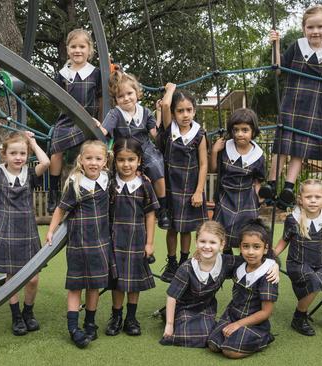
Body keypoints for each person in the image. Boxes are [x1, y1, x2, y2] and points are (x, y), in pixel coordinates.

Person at [260, 4, 322, 209]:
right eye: (310, 27)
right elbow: (277, 69)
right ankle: (272, 181)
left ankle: (289, 187)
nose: (315, 31)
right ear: (304, 29)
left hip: (316, 107)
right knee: (283, 143)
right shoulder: (297, 45)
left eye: (320, 26)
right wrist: (276, 44)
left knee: (299, 148)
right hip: (292, 102)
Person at [0, 120, 50, 335]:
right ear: (4, 155)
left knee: (33, 277)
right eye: (14, 153)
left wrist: (33, 143)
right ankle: (16, 316)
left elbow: (45, 162)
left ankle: (28, 312)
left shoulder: (30, 175)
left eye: (23, 154)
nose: (18, 157)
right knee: (12, 277)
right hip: (7, 233)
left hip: (27, 233)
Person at [161, 221, 278, 348]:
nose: (207, 246)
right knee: (191, 336)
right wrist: (169, 324)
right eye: (202, 241)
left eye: (212, 242)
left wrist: (274, 265)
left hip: (207, 307)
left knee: (207, 337)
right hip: (185, 306)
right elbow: (172, 296)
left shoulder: (227, 262)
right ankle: (168, 315)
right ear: (196, 242)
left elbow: (257, 260)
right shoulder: (187, 268)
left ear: (222, 244)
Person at [45, 140, 115, 348]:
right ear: (81, 160)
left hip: (101, 243)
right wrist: (51, 230)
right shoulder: (75, 183)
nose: (93, 162)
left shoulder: (107, 179)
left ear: (105, 161)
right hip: (79, 243)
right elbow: (60, 208)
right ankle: (73, 328)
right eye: (89, 158)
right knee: (76, 286)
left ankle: (90, 323)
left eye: (98, 158)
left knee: (95, 285)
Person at [98, 71, 169, 229]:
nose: (126, 98)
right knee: (111, 173)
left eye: (129, 93)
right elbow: (103, 131)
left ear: (137, 93)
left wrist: (159, 113)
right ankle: (109, 210)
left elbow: (155, 134)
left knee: (157, 167)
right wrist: (96, 125)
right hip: (125, 150)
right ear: (116, 100)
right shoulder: (115, 113)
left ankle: (163, 209)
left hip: (145, 148)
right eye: (121, 96)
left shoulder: (145, 112)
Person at [274, 179, 322, 335]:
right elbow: (284, 241)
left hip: (320, 263)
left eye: (317, 197)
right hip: (298, 263)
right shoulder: (294, 219)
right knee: (313, 284)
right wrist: (272, 254)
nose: (313, 200)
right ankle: (299, 317)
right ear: (300, 199)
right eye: (308, 197)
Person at [105, 138, 158, 337]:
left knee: (133, 281)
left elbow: (150, 214)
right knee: (117, 281)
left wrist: (150, 242)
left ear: (139, 160)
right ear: (114, 161)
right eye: (121, 160)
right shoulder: (109, 184)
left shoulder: (144, 185)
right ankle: (116, 316)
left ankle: (131, 318)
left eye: (131, 159)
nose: (126, 164)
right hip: (114, 240)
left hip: (137, 240)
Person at [47, 29, 103, 214]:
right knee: (55, 150)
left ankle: (89, 190)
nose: (77, 50)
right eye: (73, 46)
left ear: (90, 50)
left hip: (87, 120)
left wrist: (100, 121)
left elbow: (102, 99)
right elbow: (55, 99)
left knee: (88, 153)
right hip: (66, 120)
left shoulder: (96, 73)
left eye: (82, 46)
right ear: (67, 49)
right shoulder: (63, 74)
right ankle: (53, 191)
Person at [159, 82, 208, 282]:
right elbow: (164, 106)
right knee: (172, 228)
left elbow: (204, 165)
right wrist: (170, 90)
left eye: (189, 110)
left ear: (194, 111)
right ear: (174, 113)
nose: (185, 115)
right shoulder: (169, 128)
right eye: (180, 111)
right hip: (172, 187)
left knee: (186, 229)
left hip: (190, 189)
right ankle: (171, 263)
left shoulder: (199, 134)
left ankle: (184, 261)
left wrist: (199, 191)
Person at [207, 219, 278, 359]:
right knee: (213, 344)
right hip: (233, 315)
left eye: (256, 247)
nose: (250, 252)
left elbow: (266, 312)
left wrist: (238, 325)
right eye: (246, 246)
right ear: (240, 247)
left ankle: (264, 338)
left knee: (230, 352)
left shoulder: (267, 275)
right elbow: (215, 258)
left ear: (265, 249)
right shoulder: (239, 264)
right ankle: (235, 333)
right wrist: (199, 255)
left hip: (255, 322)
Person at [210, 108, 265, 252]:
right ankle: (226, 256)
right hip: (226, 194)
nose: (240, 134)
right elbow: (214, 169)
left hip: (247, 196)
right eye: (236, 130)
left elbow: (258, 179)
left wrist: (258, 198)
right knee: (222, 228)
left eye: (245, 130)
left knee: (247, 229)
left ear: (253, 131)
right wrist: (215, 151)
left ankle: (244, 258)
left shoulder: (258, 154)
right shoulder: (225, 147)